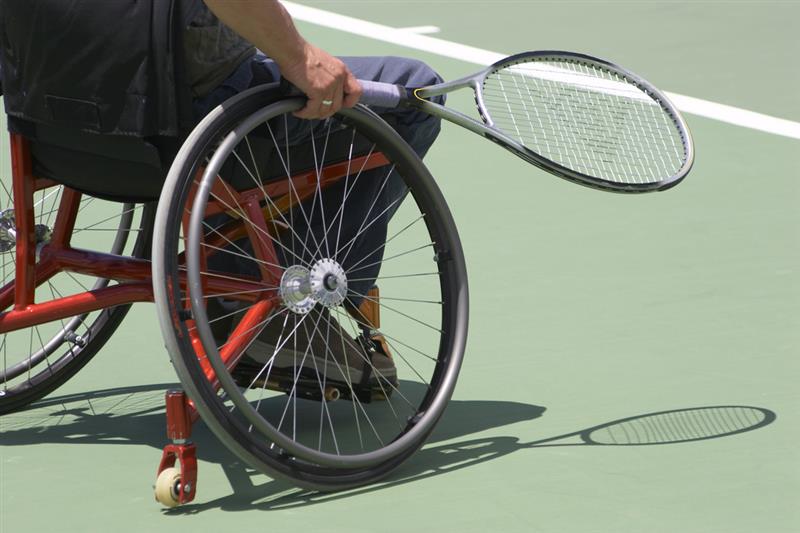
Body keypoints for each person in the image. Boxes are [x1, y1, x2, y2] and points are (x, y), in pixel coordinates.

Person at [190, 0, 445, 390]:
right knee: (418, 92)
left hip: (82, 127)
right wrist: (300, 56)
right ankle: (282, 307)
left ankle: (237, 290)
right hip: (198, 108)